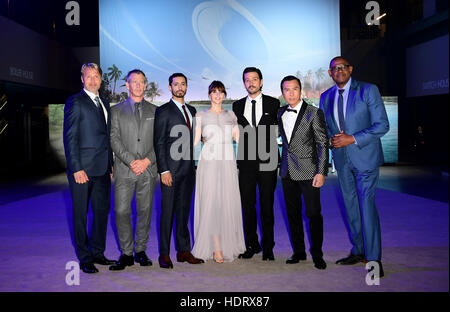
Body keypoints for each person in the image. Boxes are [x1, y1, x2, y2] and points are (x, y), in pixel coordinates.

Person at [319, 56, 389, 277]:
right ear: (330, 73)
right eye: (334, 68)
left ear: (350, 69)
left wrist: (353, 138)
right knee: (351, 207)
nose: (339, 70)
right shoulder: (325, 97)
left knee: (366, 205)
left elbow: (382, 125)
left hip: (365, 157)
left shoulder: (368, 90)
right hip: (341, 159)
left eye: (343, 67)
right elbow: (326, 128)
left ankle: (374, 258)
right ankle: (358, 250)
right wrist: (331, 139)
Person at [63, 63, 117, 274]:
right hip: (82, 170)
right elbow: (70, 138)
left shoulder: (104, 102)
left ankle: (97, 252)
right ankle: (85, 258)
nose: (93, 80)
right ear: (82, 79)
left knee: (102, 212)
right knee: (81, 215)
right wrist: (76, 167)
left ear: (101, 79)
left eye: (96, 77)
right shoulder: (75, 102)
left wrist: (110, 163)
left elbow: (106, 136)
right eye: (88, 77)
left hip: (103, 168)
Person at [191, 81, 246, 263]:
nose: (217, 95)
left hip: (227, 162)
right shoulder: (200, 115)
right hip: (209, 163)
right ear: (209, 95)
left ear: (224, 95)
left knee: (225, 202)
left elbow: (240, 138)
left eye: (220, 92)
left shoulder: (231, 115)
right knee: (212, 202)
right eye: (214, 92)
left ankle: (227, 243)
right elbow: (195, 141)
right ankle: (216, 248)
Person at [154, 73, 204, 269]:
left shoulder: (191, 110)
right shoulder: (163, 111)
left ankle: (183, 251)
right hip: (170, 171)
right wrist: (163, 170)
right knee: (167, 213)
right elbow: (158, 142)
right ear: (170, 87)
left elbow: (193, 138)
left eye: (183, 84)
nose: (180, 87)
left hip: (188, 170)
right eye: (176, 84)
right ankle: (164, 254)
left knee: (184, 211)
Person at [278, 76, 329, 270]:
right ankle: (298, 252)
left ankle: (317, 254)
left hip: (309, 172)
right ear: (283, 92)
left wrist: (321, 171)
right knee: (292, 214)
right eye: (286, 90)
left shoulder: (314, 113)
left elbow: (323, 143)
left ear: (301, 91)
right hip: (287, 172)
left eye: (294, 89)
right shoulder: (280, 112)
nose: (290, 93)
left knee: (314, 214)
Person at [109, 69, 158, 271]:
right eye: (133, 82)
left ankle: (140, 250)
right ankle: (126, 253)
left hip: (148, 170)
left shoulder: (156, 112)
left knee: (145, 211)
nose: (137, 85)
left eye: (141, 82)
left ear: (145, 85)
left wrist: (146, 161)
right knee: (121, 211)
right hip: (124, 170)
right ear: (127, 85)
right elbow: (113, 139)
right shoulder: (116, 111)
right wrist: (131, 161)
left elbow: (161, 141)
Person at [232, 67, 280, 261]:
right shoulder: (237, 106)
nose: (250, 83)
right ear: (244, 83)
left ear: (261, 81)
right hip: (246, 164)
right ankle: (252, 244)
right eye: (247, 80)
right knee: (248, 206)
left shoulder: (274, 103)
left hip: (268, 162)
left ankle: (268, 247)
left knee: (267, 205)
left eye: (254, 79)